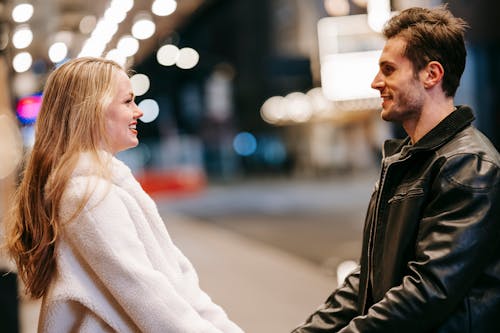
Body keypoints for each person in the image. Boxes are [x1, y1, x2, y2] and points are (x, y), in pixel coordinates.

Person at [292, 6, 500, 333]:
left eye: (388, 70)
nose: (376, 83)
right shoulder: (408, 161)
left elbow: (428, 291)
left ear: (431, 74)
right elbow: (368, 277)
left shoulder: (467, 164)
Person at [4, 57, 244, 332]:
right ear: (93, 109)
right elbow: (149, 296)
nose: (138, 111)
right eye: (128, 101)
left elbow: (180, 285)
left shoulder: (105, 187)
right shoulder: (88, 196)